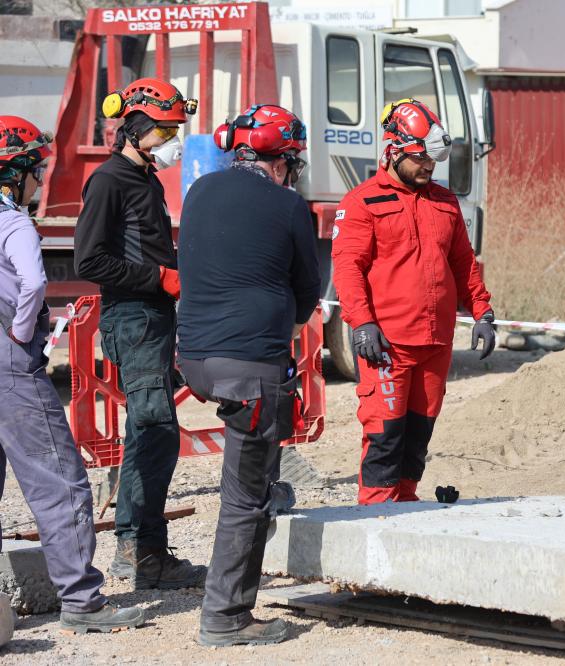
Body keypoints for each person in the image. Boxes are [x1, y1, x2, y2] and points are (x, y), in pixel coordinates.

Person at [177, 104, 320, 647]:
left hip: (194, 357)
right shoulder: (288, 207)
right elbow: (307, 292)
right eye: (293, 161)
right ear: (280, 160)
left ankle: (228, 606)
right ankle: (227, 617)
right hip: (250, 368)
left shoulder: (199, 192)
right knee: (245, 496)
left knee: (247, 478)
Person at [0, 115, 145, 633]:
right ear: (13, 172)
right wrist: (20, 334)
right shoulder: (13, 221)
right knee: (59, 484)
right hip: (11, 369)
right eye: (34, 170)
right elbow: (34, 284)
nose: (39, 181)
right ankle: (82, 602)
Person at [73, 78, 206, 588]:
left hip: (155, 319)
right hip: (134, 319)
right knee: (153, 432)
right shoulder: (109, 181)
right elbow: (91, 259)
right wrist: (159, 277)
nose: (174, 139)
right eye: (167, 129)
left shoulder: (145, 178)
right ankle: (136, 552)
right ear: (138, 127)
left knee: (156, 434)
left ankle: (147, 552)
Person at [333, 98, 495, 505]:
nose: (428, 167)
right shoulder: (362, 202)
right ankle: (374, 517)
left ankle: (405, 508)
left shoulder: (444, 201)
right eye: (420, 159)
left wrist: (483, 312)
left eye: (432, 161)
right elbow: (348, 268)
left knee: (417, 437)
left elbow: (463, 263)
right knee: (384, 436)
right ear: (394, 150)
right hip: (388, 344)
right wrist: (361, 322)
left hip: (435, 344)